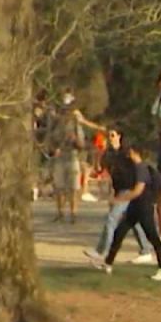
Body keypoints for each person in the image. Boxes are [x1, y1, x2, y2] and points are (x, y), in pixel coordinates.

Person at [95, 144, 161, 281]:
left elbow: (138, 190)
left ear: (135, 153)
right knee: (119, 233)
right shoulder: (136, 168)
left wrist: (118, 199)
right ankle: (108, 263)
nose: (128, 155)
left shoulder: (141, 168)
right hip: (135, 207)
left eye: (130, 152)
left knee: (153, 237)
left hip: (144, 208)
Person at [84, 130, 152, 266]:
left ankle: (102, 251)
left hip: (129, 190)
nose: (110, 138)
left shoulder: (126, 152)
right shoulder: (108, 154)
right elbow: (100, 170)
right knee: (133, 221)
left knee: (111, 219)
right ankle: (146, 251)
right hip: (119, 190)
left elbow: (138, 168)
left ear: (120, 136)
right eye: (109, 135)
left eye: (113, 135)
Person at [47, 89, 104, 224]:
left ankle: (73, 213)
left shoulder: (75, 122)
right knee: (59, 186)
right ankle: (60, 213)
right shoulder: (55, 121)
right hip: (59, 157)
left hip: (72, 156)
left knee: (74, 187)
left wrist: (75, 140)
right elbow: (49, 139)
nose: (65, 112)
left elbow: (82, 143)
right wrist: (53, 149)